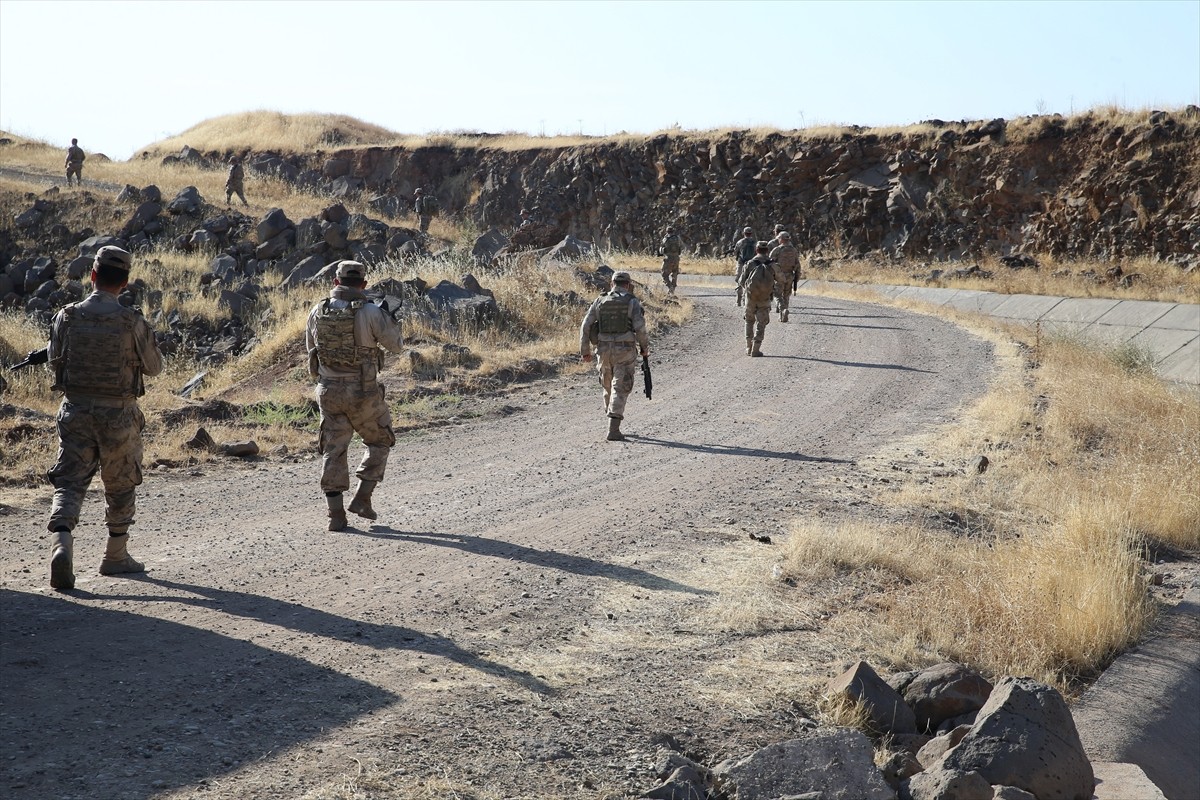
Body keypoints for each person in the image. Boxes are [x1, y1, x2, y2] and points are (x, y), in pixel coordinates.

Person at [44, 245, 163, 590]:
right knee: (121, 483)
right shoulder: (132, 321)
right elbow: (154, 368)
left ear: (92, 276)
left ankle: (62, 543)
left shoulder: (66, 316)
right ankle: (115, 556)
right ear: (124, 283)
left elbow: (55, 361)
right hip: (119, 414)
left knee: (69, 481)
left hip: (76, 411)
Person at [305, 260, 405, 531]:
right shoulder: (372, 311)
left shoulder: (317, 310)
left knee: (333, 449)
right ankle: (362, 498)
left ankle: (335, 516)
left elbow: (311, 349)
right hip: (363, 391)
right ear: (363, 285)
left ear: (336, 282)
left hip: (328, 390)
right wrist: (390, 319)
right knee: (380, 440)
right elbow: (396, 347)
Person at [579, 270, 650, 442]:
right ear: (628, 284)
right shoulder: (632, 301)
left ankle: (611, 418)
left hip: (603, 350)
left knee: (607, 385)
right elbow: (640, 327)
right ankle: (613, 429)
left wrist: (585, 351)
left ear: (612, 284)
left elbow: (585, 325)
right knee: (621, 386)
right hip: (624, 350)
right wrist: (644, 348)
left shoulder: (600, 300)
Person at [737, 241, 778, 357]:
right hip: (764, 298)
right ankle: (756, 348)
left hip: (750, 297)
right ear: (767, 251)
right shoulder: (772, 264)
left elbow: (740, 281)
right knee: (761, 323)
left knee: (749, 321)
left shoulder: (750, 263)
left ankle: (748, 347)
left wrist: (748, 290)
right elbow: (781, 279)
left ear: (756, 250)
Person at [769, 231, 801, 322]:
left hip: (779, 275)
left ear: (782, 239)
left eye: (779, 238)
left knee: (777, 295)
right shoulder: (794, 250)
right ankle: (783, 315)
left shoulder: (777, 250)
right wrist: (797, 277)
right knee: (786, 295)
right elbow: (797, 264)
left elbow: (770, 263)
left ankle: (782, 310)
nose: (778, 240)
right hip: (790, 275)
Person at [659, 226, 683, 295]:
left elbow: (661, 250)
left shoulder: (666, 238)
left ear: (667, 231)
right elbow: (681, 246)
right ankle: (673, 289)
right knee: (675, 273)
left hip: (668, 258)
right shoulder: (678, 238)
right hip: (676, 258)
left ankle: (670, 287)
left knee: (664, 274)